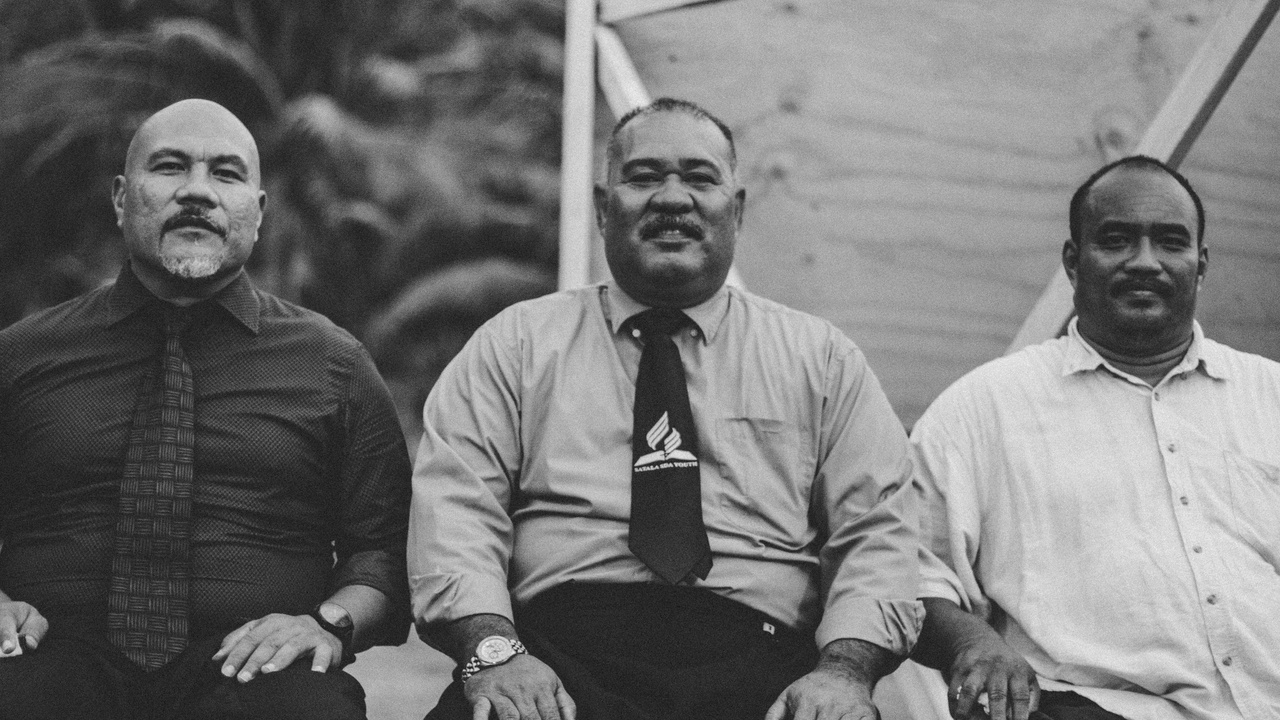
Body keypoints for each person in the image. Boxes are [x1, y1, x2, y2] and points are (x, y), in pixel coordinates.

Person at [408, 97, 923, 720]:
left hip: (761, 661)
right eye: (644, 177)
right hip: (555, 656)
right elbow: (456, 513)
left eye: (700, 178)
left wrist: (844, 672)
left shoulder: (822, 361)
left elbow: (876, 535)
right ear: (603, 208)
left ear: (735, 210)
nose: (672, 198)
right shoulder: (514, 345)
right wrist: (495, 655)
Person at [0, 99, 412, 720]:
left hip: (255, 672)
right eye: (169, 167)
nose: (197, 192)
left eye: (225, 173)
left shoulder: (335, 365)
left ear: (258, 210)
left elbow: (383, 551)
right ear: (120, 198)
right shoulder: (21, 357)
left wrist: (327, 626)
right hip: (45, 658)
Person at [911, 155, 1280, 720]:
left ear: (1200, 264)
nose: (1146, 262)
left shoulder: (1270, 395)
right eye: (1116, 240)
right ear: (1073, 262)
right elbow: (911, 569)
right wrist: (974, 644)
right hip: (1096, 709)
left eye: (1171, 243)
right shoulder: (984, 408)